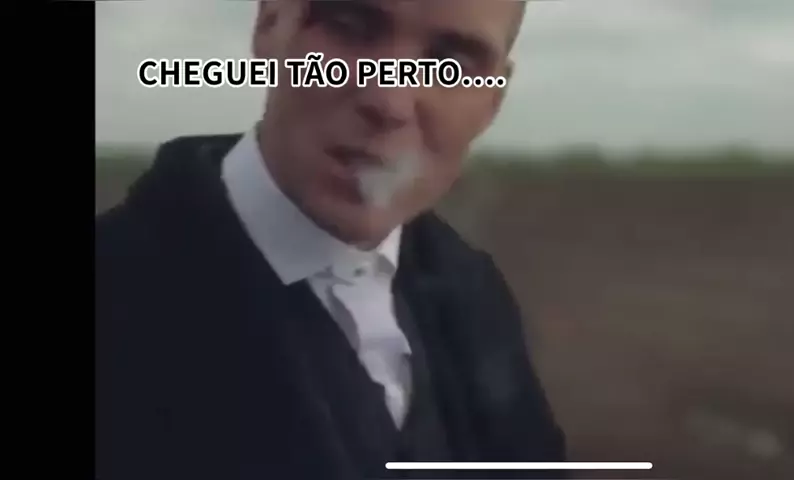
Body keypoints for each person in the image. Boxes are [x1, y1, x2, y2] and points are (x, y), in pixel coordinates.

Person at [94, 0, 566, 478]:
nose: (389, 99)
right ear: (269, 26)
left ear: (493, 98)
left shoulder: (476, 297)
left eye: (451, 64)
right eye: (349, 28)